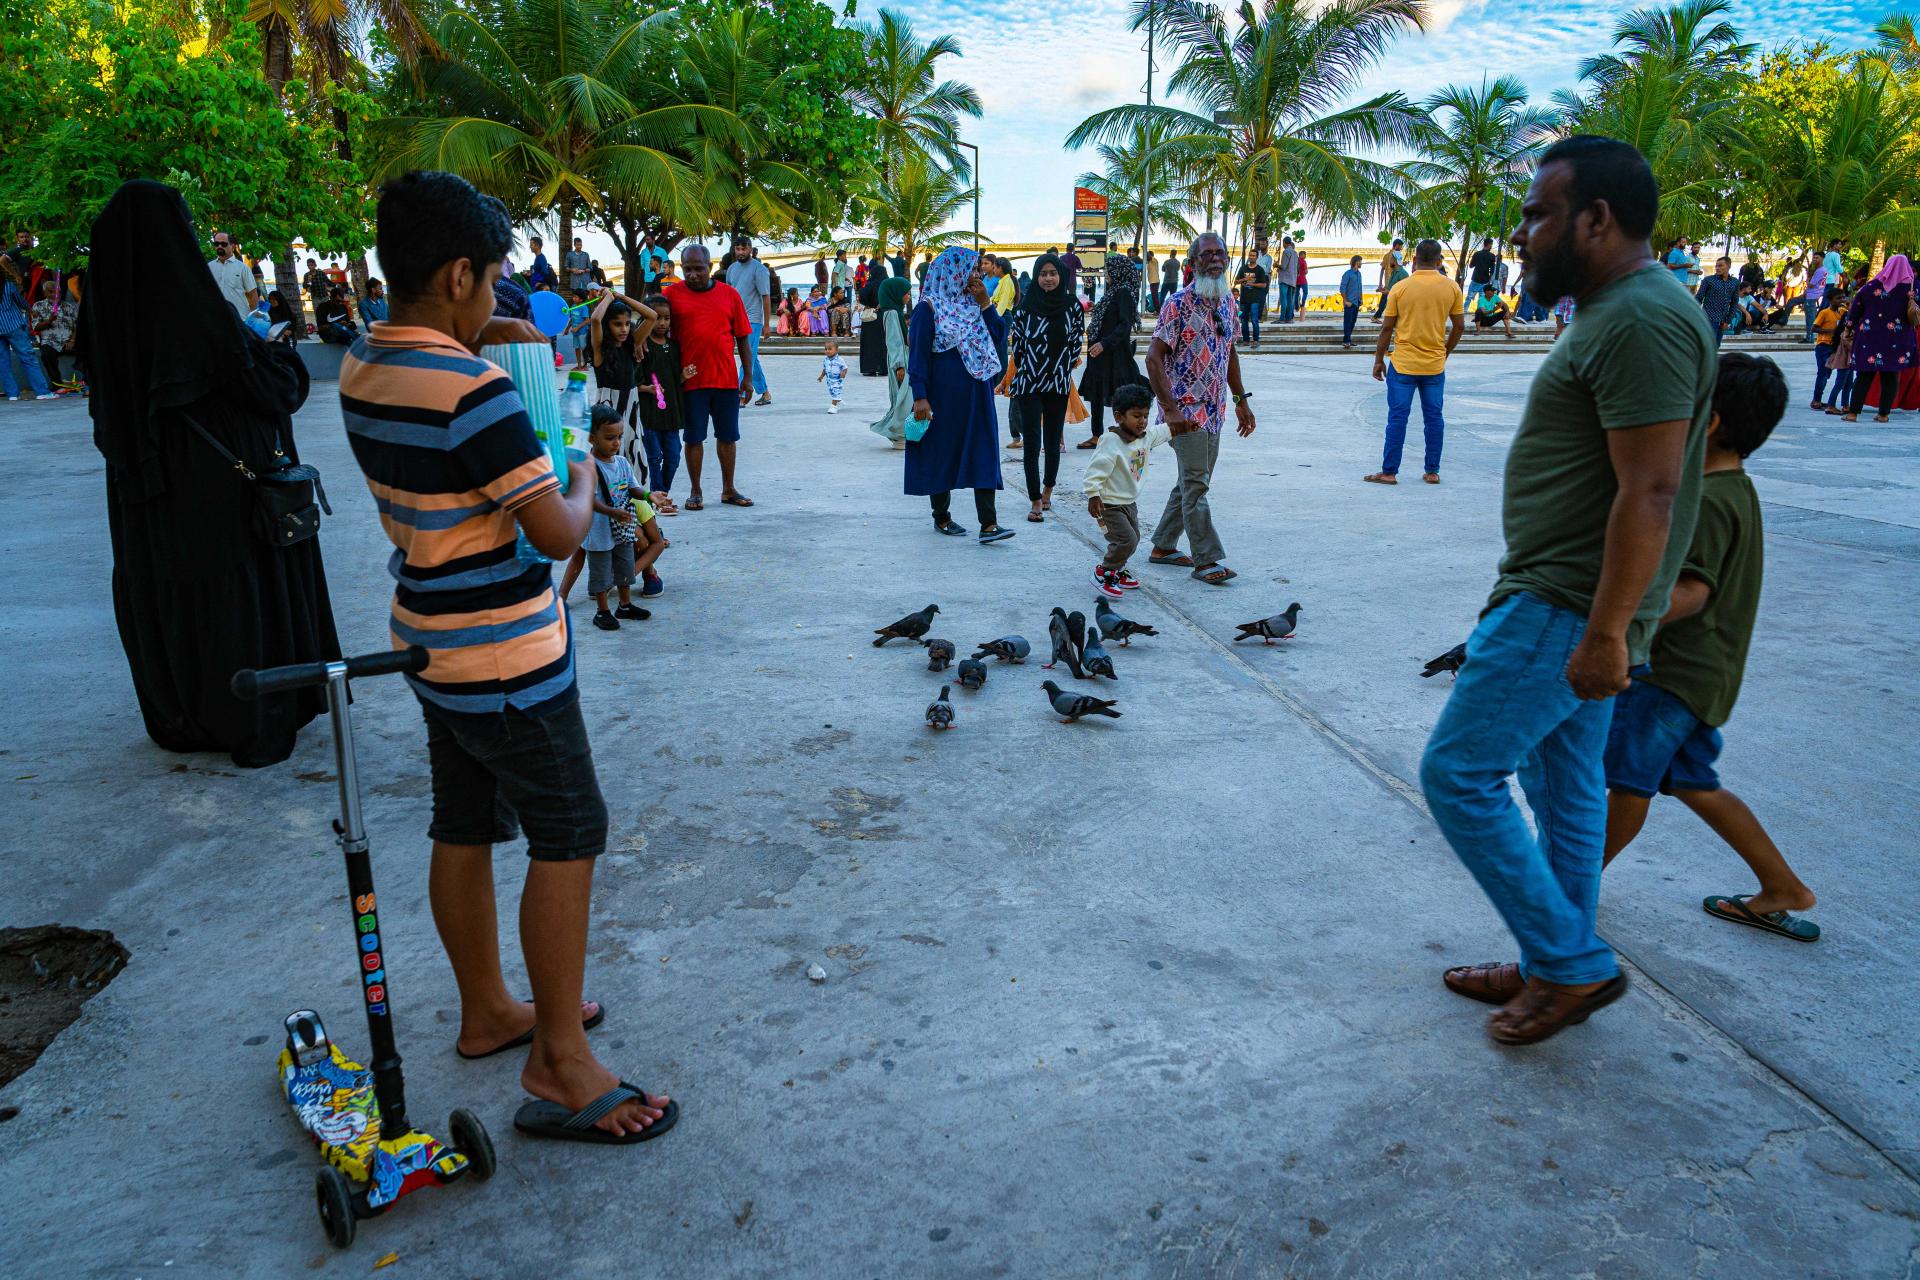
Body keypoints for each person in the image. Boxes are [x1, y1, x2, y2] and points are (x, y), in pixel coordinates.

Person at [338, 174, 677, 1143]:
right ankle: (561, 1057)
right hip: (507, 652)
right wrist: (575, 461)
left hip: (429, 642)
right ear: (455, 275)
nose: (497, 300)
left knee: (464, 815)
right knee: (570, 826)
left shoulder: (364, 362)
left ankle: (488, 1007)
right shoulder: (475, 395)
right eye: (489, 282)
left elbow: (439, 430)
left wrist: (489, 344)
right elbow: (564, 530)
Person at [1422, 135, 1715, 1047]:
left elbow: (1653, 489)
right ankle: (1557, 956)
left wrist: (1607, 632)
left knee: (1459, 773)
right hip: (1575, 602)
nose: (1521, 234)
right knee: (1569, 787)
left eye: (1539, 214)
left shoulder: (1638, 319)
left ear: (1597, 219)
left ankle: (1571, 961)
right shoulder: (1619, 308)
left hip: (1566, 606)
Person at [81, 177, 341, 764]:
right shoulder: (195, 311)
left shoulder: (109, 319)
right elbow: (272, 385)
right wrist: (275, 349)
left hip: (148, 495)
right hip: (223, 493)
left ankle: (186, 711)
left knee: (173, 589)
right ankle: (252, 713)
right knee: (236, 592)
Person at [1599, 352, 1816, 939]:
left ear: (1709, 421)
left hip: (1672, 675)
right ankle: (1781, 887)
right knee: (1695, 781)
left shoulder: (1710, 503)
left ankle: (1569, 884)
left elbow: (1692, 591)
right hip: (1705, 673)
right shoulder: (1730, 488)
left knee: (1625, 782)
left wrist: (1614, 625)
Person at [1144, 230, 1256, 586]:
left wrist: (1241, 400)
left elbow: (1230, 353)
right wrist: (1170, 409)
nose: (1215, 259)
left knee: (1194, 480)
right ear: (1192, 264)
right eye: (1206, 254)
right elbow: (1153, 358)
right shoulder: (1176, 303)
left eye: (1219, 253)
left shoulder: (1227, 302)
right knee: (1196, 484)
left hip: (1215, 410)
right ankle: (1206, 560)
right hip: (1185, 412)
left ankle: (1162, 545)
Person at [906, 246, 1012, 543]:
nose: (978, 275)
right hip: (942, 397)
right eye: (973, 269)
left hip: (978, 393)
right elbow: (918, 355)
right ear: (953, 272)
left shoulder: (974, 305)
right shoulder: (928, 308)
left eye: (979, 270)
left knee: (984, 449)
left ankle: (989, 524)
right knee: (942, 451)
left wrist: (986, 304)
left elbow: (998, 338)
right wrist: (919, 395)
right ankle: (941, 517)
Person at [1085, 383, 1200, 598]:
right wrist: (1093, 494)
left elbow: (1164, 431)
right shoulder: (1111, 441)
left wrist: (1184, 426)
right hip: (1108, 504)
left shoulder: (1145, 436)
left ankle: (1117, 570)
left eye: (1146, 416)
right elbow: (1095, 470)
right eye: (1136, 416)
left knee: (1134, 538)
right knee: (1125, 540)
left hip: (1129, 502)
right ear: (1119, 416)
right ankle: (1104, 572)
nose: (1143, 421)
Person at [1366, 239, 1464, 486]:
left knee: (1397, 418)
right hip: (1434, 365)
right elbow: (1459, 326)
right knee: (1434, 418)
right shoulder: (1451, 288)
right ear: (1439, 261)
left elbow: (1386, 329)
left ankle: (1389, 472)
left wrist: (1379, 360)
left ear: (1414, 260)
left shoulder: (1400, 288)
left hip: (1404, 364)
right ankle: (1432, 471)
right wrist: (1445, 351)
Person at [664, 244, 754, 509]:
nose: (692, 275)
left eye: (698, 269)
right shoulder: (671, 295)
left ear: (710, 267)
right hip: (691, 382)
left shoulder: (730, 295)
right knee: (693, 438)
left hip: (726, 380)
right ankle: (695, 491)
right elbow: (657, 331)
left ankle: (729, 489)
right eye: (687, 269)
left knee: (728, 437)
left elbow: (743, 340)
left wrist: (747, 378)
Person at [1006, 251, 1085, 522]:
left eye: (1052, 274)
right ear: (1036, 276)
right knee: (1032, 443)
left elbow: (1076, 342)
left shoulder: (1072, 306)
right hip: (1029, 381)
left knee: (1052, 441)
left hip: (1058, 382)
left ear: (1060, 276)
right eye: (1043, 274)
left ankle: (1048, 490)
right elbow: (1018, 348)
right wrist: (1034, 367)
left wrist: (1058, 367)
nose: (1048, 278)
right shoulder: (1025, 308)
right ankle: (1035, 500)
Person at [578, 406, 650, 630]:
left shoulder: (622, 463)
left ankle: (625, 605)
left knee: (624, 566)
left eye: (619, 437)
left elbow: (633, 488)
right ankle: (602, 611)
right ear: (592, 438)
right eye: (609, 438)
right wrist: (612, 512)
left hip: (621, 528)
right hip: (598, 530)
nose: (616, 443)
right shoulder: (587, 466)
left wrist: (650, 495)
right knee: (600, 571)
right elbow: (587, 499)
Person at [586, 286, 660, 471]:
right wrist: (608, 298)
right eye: (617, 324)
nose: (624, 328)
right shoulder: (600, 351)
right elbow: (595, 319)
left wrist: (620, 296)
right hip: (609, 406)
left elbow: (652, 316)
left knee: (633, 451)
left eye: (627, 323)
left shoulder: (631, 345)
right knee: (610, 454)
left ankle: (636, 496)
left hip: (631, 406)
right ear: (607, 325)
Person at [1076, 255, 1145, 448]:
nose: (1106, 274)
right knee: (1098, 394)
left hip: (1113, 355)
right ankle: (1097, 435)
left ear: (1119, 272)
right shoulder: (1114, 292)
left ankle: (1128, 431)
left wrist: (1104, 344)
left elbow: (1124, 325)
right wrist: (1096, 309)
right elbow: (1111, 317)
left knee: (1122, 396)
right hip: (1101, 357)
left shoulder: (1123, 293)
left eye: (1109, 271)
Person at [1837, 253, 1916, 422]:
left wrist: (1848, 327)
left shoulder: (1871, 286)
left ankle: (1852, 413)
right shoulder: (1911, 287)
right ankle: (1883, 414)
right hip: (1897, 339)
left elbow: (1856, 307)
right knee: (1890, 377)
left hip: (1869, 337)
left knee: (1864, 375)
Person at [632, 291, 683, 514]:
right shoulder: (640, 347)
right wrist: (648, 389)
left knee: (673, 456)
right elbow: (634, 380)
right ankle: (660, 499)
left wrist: (685, 376)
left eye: (667, 318)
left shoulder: (674, 346)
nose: (662, 323)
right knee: (655, 457)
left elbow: (675, 378)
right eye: (657, 317)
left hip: (671, 411)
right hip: (650, 411)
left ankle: (662, 494)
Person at [0, 258, 57, 400]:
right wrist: (30, 309)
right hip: (12, 325)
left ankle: (12, 394)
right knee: (28, 357)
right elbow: (20, 302)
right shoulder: (7, 285)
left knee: (3, 362)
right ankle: (42, 392)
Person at [869, 273, 914, 448]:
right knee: (903, 399)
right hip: (900, 361)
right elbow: (894, 342)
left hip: (901, 359)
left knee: (902, 398)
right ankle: (898, 435)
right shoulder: (892, 314)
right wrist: (900, 366)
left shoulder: (892, 311)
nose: (909, 296)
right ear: (896, 293)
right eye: (906, 293)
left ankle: (900, 435)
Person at [29, 277, 78, 390]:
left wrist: (72, 340)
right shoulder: (38, 306)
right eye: (50, 291)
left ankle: (87, 383)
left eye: (57, 291)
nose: (54, 294)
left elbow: (76, 325)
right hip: (50, 341)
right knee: (46, 354)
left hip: (68, 341)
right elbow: (35, 326)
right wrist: (49, 321)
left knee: (88, 349)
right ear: (45, 292)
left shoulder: (69, 306)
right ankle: (57, 384)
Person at [206, 229, 260, 320]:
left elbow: (253, 295)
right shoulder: (208, 267)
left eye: (223, 244)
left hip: (240, 319)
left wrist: (252, 319)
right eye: (216, 244)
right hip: (216, 319)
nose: (219, 246)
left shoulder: (242, 268)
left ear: (233, 246)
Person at [1811, 287, 1847, 411]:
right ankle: (1816, 399)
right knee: (1823, 373)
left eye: (1843, 297)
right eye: (1838, 298)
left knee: (1829, 373)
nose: (1841, 300)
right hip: (1824, 345)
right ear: (1830, 300)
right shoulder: (1824, 313)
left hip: (1835, 346)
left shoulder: (1842, 312)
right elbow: (1814, 328)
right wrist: (1830, 331)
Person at [1696, 256, 1741, 347]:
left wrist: (1728, 321)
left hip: (1723, 320)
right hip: (1709, 318)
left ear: (1728, 266)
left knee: (1716, 345)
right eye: (1716, 266)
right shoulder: (1708, 280)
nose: (1717, 268)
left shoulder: (1735, 282)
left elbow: (1734, 303)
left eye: (1720, 266)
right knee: (1708, 345)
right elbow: (1699, 298)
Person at [857, 260, 889, 377]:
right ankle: (883, 368)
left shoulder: (871, 284)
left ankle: (870, 368)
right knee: (883, 343)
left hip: (872, 317)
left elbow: (863, 297)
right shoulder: (888, 284)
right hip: (885, 316)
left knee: (869, 343)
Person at [1235, 253, 1269, 347]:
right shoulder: (1243, 268)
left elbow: (1264, 285)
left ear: (1257, 257)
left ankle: (1256, 340)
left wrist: (1252, 284)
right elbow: (1236, 281)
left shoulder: (1260, 270)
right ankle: (1246, 340)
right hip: (1244, 299)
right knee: (1244, 320)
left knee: (1254, 320)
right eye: (1250, 255)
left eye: (1254, 256)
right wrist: (1245, 279)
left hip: (1255, 299)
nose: (1251, 257)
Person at [1372, 238, 1405, 320]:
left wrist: (1380, 283)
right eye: (1401, 246)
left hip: (1388, 281)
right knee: (1388, 301)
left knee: (1384, 300)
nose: (1401, 248)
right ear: (1397, 245)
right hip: (1394, 281)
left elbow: (1382, 269)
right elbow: (1398, 267)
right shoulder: (1397, 255)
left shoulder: (1386, 255)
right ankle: (1377, 316)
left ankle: (1377, 316)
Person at [1338, 254, 1366, 348]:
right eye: (1360, 261)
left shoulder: (1359, 274)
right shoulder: (1347, 274)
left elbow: (1360, 287)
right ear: (1356, 262)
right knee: (1347, 322)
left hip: (1356, 302)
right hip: (1349, 303)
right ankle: (1346, 341)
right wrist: (1346, 301)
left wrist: (1361, 299)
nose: (1361, 263)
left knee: (1353, 322)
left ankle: (1348, 340)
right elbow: (1342, 288)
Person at [818, 339, 847, 413]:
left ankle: (833, 407)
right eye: (826, 349)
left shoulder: (839, 360)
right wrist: (821, 376)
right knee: (832, 392)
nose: (827, 351)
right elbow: (825, 369)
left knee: (835, 391)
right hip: (829, 380)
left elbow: (845, 367)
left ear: (836, 350)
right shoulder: (826, 360)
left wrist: (843, 373)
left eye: (830, 349)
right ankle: (838, 400)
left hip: (837, 380)